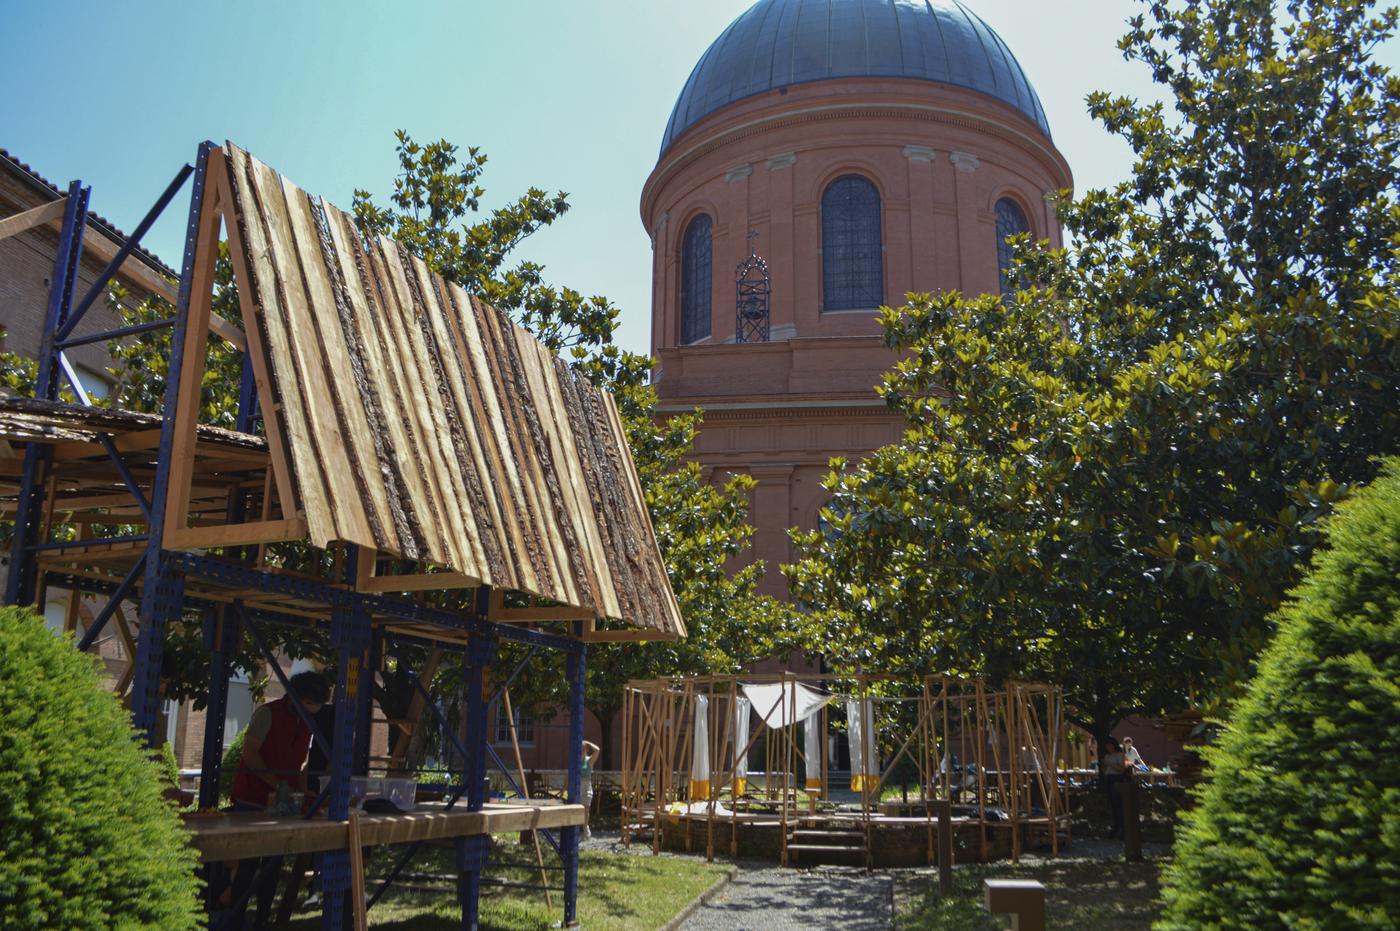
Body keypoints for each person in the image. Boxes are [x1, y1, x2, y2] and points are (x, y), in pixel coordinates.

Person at [226, 671, 331, 929]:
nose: (313, 709)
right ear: (297, 697)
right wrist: (278, 784)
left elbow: (302, 760)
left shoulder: (306, 721)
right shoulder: (267, 713)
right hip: (253, 798)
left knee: (272, 866)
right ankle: (235, 920)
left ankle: (263, 919)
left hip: (283, 802)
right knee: (248, 865)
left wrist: (302, 787)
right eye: (309, 703)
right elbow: (250, 752)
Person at [1100, 737, 1128, 839]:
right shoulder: (1107, 756)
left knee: (1118, 804)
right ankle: (1115, 825)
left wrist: (1110, 764)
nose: (1108, 748)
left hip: (1117, 778)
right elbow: (1105, 770)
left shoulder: (1120, 755)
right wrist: (1104, 766)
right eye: (1107, 746)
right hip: (1109, 778)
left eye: (1110, 746)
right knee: (1111, 803)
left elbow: (1122, 769)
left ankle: (1121, 827)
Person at [581, 740, 600, 840]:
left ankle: (585, 827)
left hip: (586, 786)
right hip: (578, 786)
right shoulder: (576, 762)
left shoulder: (589, 761)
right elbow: (568, 776)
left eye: (583, 750)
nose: (581, 753)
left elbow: (597, 750)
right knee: (577, 809)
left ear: (585, 751)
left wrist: (588, 743)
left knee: (586, 809)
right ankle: (577, 828)